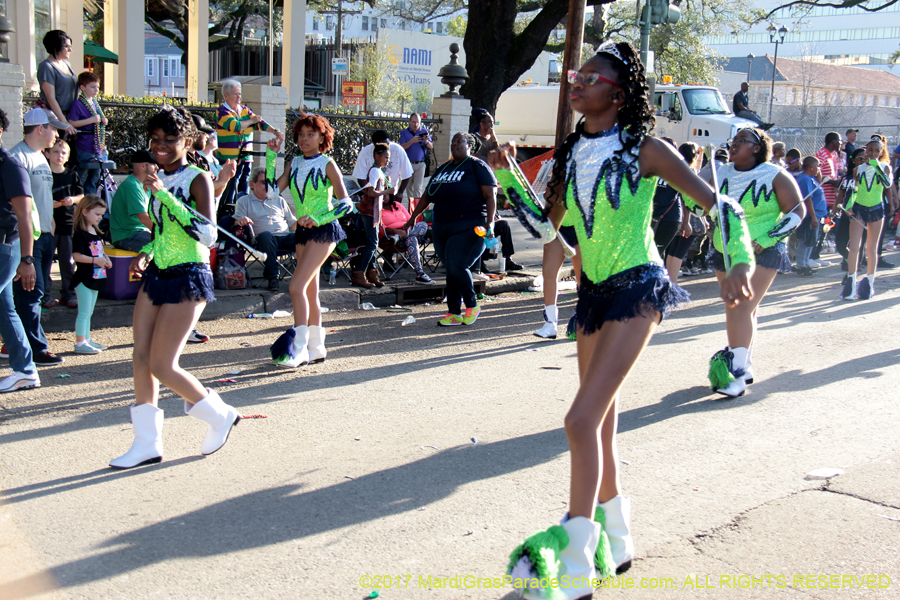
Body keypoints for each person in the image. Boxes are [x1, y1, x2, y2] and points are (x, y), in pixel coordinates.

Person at [492, 42, 754, 600]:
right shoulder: (569, 154)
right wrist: (509, 175)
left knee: (579, 421)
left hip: (639, 288)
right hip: (592, 297)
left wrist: (737, 261)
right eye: (574, 74)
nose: (577, 83)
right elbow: (546, 228)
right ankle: (619, 536)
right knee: (601, 421)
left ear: (618, 91)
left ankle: (578, 561)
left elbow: (719, 207)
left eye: (589, 76)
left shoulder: (646, 149)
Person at [111, 106, 240, 469]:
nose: (161, 146)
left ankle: (219, 415)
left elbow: (209, 235)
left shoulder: (197, 178)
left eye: (169, 140)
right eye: (155, 140)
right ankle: (146, 443)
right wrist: (146, 252)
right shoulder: (154, 178)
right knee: (140, 356)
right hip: (158, 274)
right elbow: (162, 231)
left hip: (188, 275)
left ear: (187, 140)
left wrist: (164, 194)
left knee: (162, 364)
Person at [705, 127, 804, 398]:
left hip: (761, 250)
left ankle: (734, 375)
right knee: (738, 309)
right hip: (724, 250)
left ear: (757, 147)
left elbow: (797, 212)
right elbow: (700, 204)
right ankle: (744, 365)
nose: (734, 144)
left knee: (741, 306)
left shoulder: (775, 175)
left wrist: (767, 239)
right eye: (733, 140)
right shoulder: (720, 173)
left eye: (741, 141)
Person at [267, 112, 352, 368]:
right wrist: (272, 155)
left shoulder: (328, 163)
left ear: (322, 137)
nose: (304, 139)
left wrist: (318, 218)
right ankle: (316, 348)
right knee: (310, 290)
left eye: (310, 134)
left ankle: (299, 347)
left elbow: (346, 204)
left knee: (296, 287)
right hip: (303, 233)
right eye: (301, 134)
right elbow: (271, 192)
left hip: (324, 231)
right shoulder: (293, 163)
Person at [404, 132, 498, 327]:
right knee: (452, 270)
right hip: (442, 226)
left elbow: (490, 195)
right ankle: (454, 312)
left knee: (457, 264)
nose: (454, 145)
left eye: (459, 142)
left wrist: (490, 222)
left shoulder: (477, 166)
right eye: (453, 141)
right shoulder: (443, 168)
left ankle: (471, 305)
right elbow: (427, 196)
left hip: (470, 224)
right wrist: (412, 217)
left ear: (469, 145)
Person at [10, 109, 64, 364]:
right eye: (53, 128)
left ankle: (14, 344)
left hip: (43, 234)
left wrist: (49, 220)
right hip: (27, 237)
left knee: (34, 293)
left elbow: (41, 196)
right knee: (31, 293)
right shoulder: (18, 157)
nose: (57, 133)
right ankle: (37, 348)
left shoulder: (39, 158)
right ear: (40, 128)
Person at [0, 108, 41, 392]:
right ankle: (25, 370)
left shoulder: (9, 165)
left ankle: (26, 369)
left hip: (5, 247)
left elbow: (24, 216)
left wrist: (27, 260)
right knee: (4, 309)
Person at [215, 79, 283, 198]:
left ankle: (242, 208)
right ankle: (228, 210)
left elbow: (259, 123)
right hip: (229, 159)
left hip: (246, 156)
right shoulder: (221, 111)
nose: (239, 97)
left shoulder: (244, 110)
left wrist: (274, 131)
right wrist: (252, 120)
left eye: (240, 94)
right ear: (226, 96)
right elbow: (235, 126)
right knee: (230, 187)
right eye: (235, 94)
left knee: (244, 187)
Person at [842, 138, 892, 300]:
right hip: (858, 210)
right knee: (854, 246)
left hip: (876, 209)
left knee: (872, 248)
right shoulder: (858, 170)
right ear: (866, 150)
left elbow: (887, 184)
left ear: (880, 152)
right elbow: (854, 189)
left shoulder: (885, 168)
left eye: (876, 151)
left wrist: (877, 165)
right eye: (870, 150)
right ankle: (851, 283)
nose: (872, 153)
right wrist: (849, 205)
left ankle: (869, 284)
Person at [232, 166, 297, 291]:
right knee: (267, 236)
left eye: (269, 182)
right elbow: (236, 223)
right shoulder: (244, 201)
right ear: (252, 184)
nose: (267, 185)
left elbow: (292, 223)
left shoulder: (279, 200)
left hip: (284, 237)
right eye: (263, 182)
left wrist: (306, 227)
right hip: (261, 240)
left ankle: (304, 277)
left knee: (307, 237)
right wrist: (242, 221)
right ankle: (273, 277)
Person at [69, 194, 110, 354]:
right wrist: (95, 261)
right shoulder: (80, 233)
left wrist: (106, 259)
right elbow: (76, 256)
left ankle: (86, 339)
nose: (100, 217)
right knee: (84, 312)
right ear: (85, 212)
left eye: (101, 215)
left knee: (89, 312)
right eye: (97, 214)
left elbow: (99, 250)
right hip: (84, 278)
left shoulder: (95, 231)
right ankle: (80, 343)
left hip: (96, 277)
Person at [46, 137, 82, 308]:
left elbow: (81, 196)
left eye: (63, 153)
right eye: (56, 152)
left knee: (67, 262)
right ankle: (45, 294)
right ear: (48, 153)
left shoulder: (72, 175)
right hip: (48, 225)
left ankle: (68, 294)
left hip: (67, 224)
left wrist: (72, 199)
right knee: (45, 261)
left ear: (67, 157)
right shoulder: (45, 173)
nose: (59, 155)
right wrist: (48, 203)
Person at [351, 142, 393, 289]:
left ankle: (371, 273)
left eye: (389, 157)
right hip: (369, 212)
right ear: (377, 156)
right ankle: (359, 273)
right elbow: (370, 192)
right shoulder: (375, 171)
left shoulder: (380, 171)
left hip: (374, 212)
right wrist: (387, 192)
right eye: (385, 157)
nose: (388, 160)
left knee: (372, 244)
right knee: (372, 244)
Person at [66, 71, 107, 195]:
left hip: (97, 146)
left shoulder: (94, 103)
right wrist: (90, 120)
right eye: (92, 87)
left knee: (95, 176)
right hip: (85, 144)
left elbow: (98, 119)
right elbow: (71, 122)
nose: (96, 90)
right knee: (82, 175)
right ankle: (78, 200)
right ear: (82, 87)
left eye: (97, 87)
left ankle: (90, 200)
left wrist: (103, 120)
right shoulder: (78, 104)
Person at [379, 195, 434, 283]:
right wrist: (397, 232)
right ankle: (420, 273)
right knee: (412, 239)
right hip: (388, 239)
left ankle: (399, 237)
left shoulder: (397, 205)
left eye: (385, 195)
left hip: (406, 233)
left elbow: (410, 220)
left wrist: (404, 231)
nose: (383, 197)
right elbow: (380, 230)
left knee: (423, 224)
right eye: (381, 196)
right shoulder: (377, 209)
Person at [110, 149, 156, 253]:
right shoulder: (132, 186)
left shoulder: (145, 185)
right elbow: (144, 219)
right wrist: (164, 233)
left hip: (139, 232)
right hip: (126, 236)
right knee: (164, 246)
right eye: (153, 164)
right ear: (143, 166)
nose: (157, 167)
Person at [351, 130, 413, 206]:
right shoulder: (374, 169)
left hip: (390, 195)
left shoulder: (398, 150)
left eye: (388, 144)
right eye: (386, 158)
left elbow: (407, 173)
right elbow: (362, 180)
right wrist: (374, 194)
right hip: (374, 197)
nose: (387, 147)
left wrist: (399, 192)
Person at [36, 30, 78, 137]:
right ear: (55, 46)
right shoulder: (46, 66)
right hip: (54, 118)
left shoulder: (68, 64)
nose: (70, 50)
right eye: (66, 46)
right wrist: (64, 123)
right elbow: (50, 98)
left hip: (71, 116)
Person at [188, 113, 235, 200]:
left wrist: (224, 179)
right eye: (203, 133)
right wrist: (220, 182)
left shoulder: (201, 160)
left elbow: (214, 193)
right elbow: (195, 189)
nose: (206, 136)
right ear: (192, 134)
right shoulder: (181, 160)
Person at [794, 156, 825, 277]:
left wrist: (818, 171)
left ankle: (805, 264)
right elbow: (808, 199)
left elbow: (820, 180)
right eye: (817, 166)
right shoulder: (805, 179)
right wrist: (812, 216)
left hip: (816, 214)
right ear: (811, 167)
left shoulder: (811, 178)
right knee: (805, 241)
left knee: (810, 241)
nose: (818, 168)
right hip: (809, 215)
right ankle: (801, 266)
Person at [398, 113, 433, 203]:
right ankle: (411, 208)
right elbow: (402, 147)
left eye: (418, 122)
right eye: (413, 122)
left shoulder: (424, 131)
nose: (416, 124)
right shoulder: (404, 133)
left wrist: (426, 141)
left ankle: (416, 210)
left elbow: (431, 147)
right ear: (409, 122)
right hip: (408, 164)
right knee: (409, 188)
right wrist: (412, 141)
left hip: (420, 164)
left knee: (418, 188)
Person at [814, 132, 843, 210]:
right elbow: (813, 174)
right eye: (840, 141)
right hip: (821, 199)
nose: (841, 143)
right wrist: (832, 182)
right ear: (833, 142)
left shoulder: (833, 155)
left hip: (830, 198)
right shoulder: (821, 154)